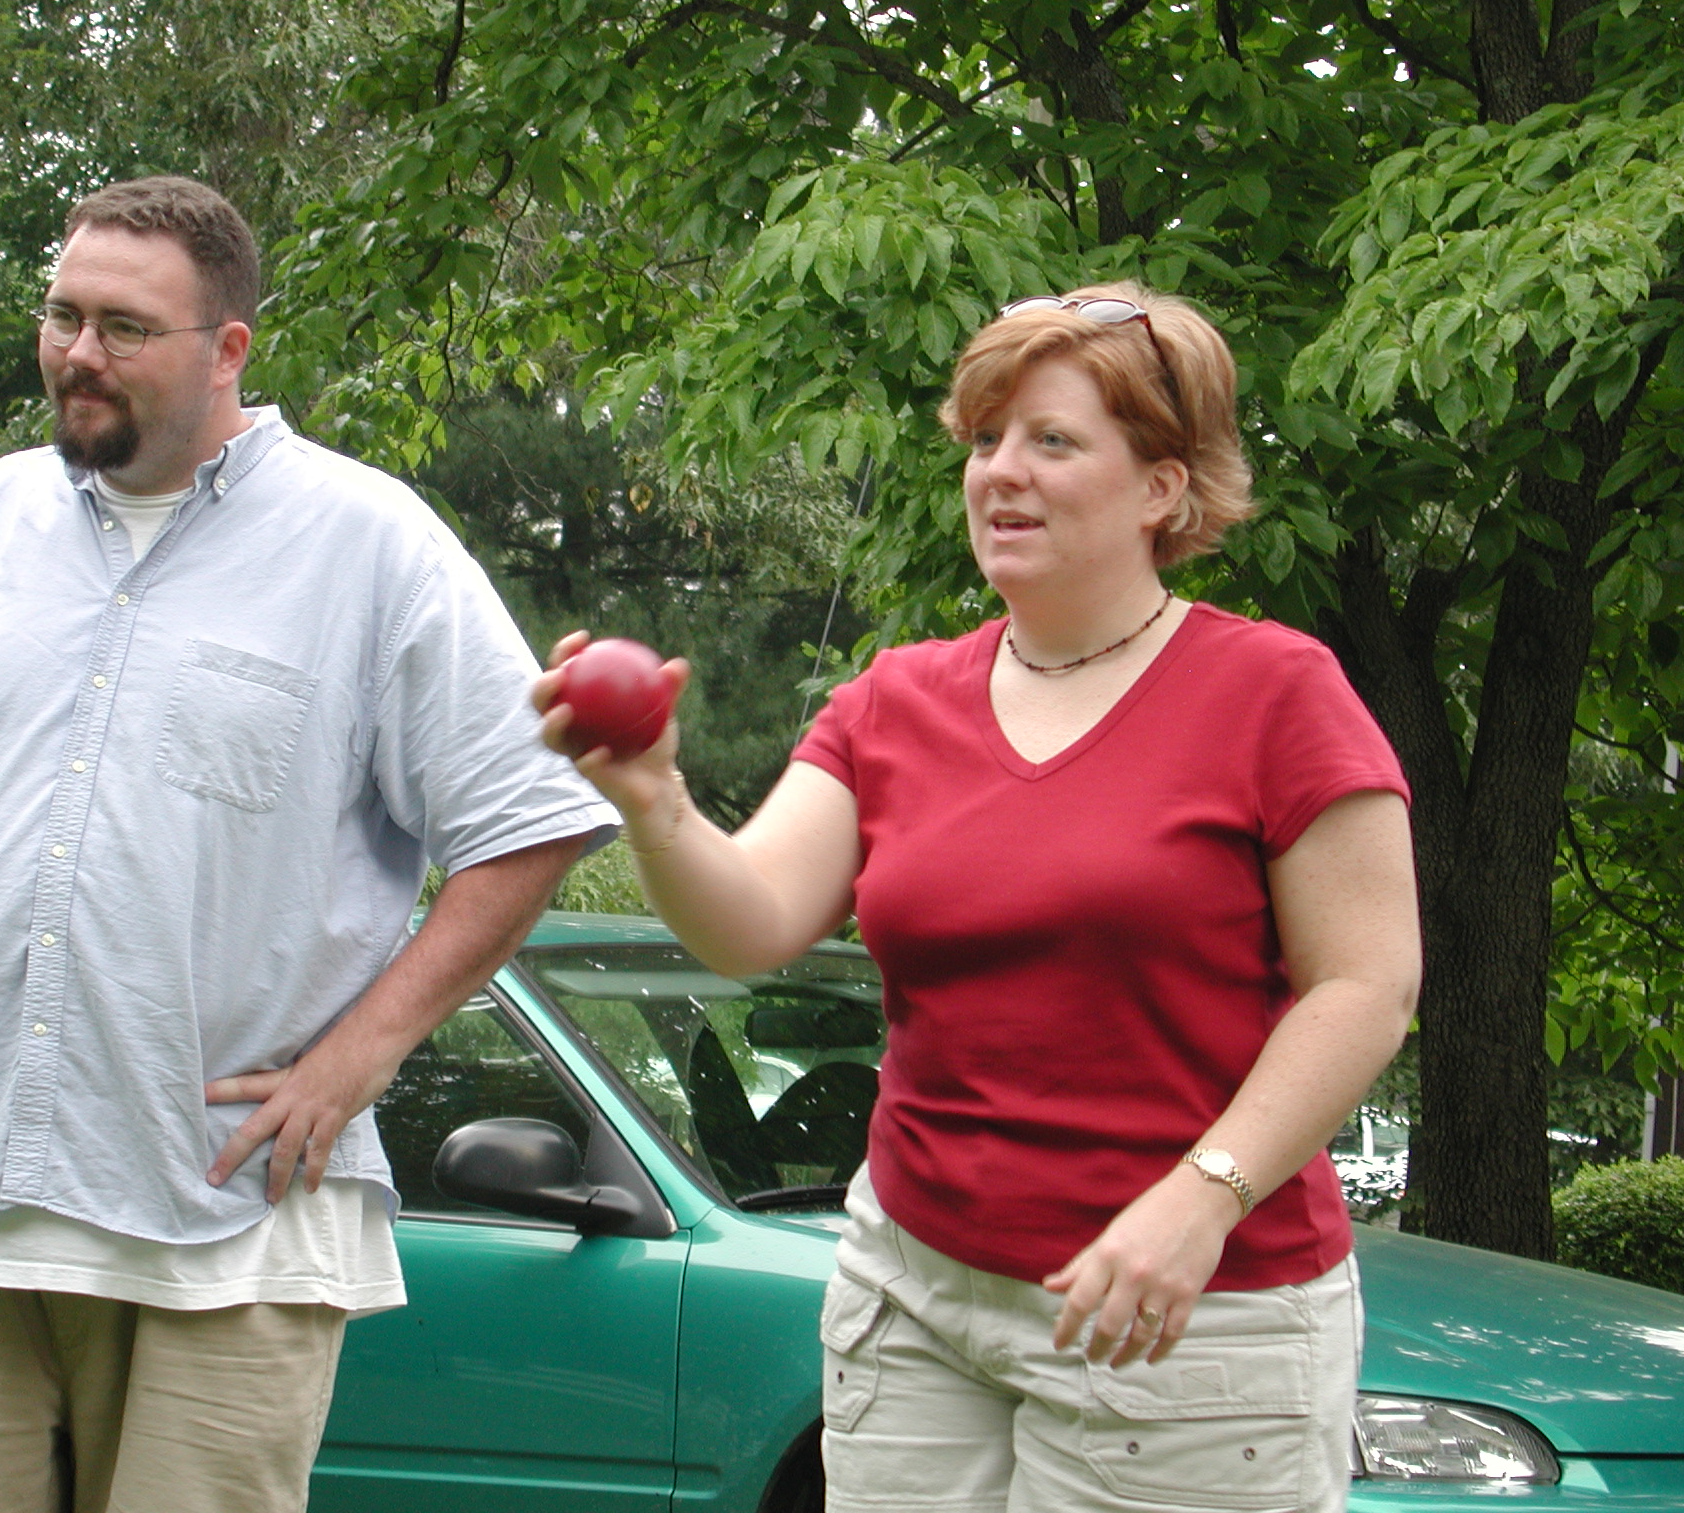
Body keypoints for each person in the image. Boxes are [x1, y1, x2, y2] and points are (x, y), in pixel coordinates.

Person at [0, 176, 616, 1513]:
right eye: (62, 316)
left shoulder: (368, 546)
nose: (78, 353)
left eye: (124, 328)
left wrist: (363, 1053)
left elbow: (530, 819)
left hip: (232, 1223)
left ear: (228, 350)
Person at [536, 284, 1420, 1512]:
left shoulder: (1275, 692)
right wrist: (656, 802)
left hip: (1183, 1312)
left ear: (1161, 487)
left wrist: (1199, 1198)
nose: (1001, 471)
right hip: (914, 1293)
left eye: (1052, 441)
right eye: (986, 438)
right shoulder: (892, 702)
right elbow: (749, 925)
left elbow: (1364, 986)